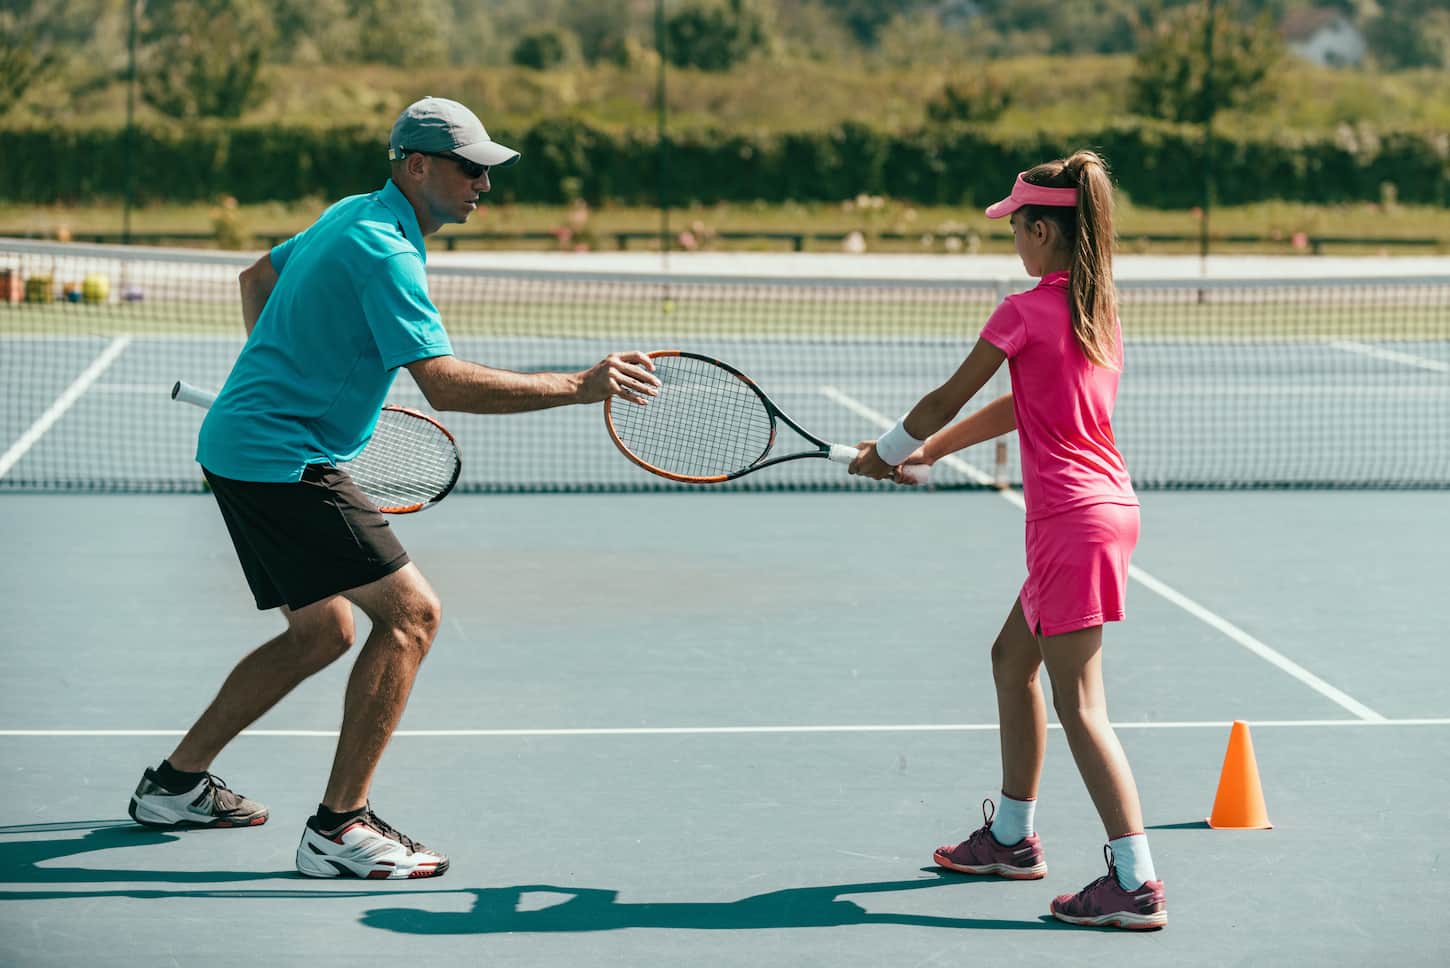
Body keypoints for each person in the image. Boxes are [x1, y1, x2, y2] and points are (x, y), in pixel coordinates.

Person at [127, 97, 662, 880]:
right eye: (469, 168)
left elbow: (256, 278)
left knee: (324, 634)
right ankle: (338, 830)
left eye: (487, 169)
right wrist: (578, 387)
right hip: (280, 459)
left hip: (245, 448)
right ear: (417, 165)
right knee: (412, 617)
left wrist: (283, 377)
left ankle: (173, 788)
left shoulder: (353, 213)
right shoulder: (385, 250)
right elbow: (444, 385)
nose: (484, 182)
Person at [848, 151, 1166, 930]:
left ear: (1044, 232)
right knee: (1010, 660)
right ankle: (1013, 839)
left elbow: (945, 394)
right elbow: (1022, 405)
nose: (1013, 240)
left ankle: (1136, 880)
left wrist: (885, 451)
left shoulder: (1022, 310)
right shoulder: (1097, 312)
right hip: (1107, 510)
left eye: (1018, 228)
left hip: (1069, 523)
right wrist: (933, 450)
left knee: (1082, 706)